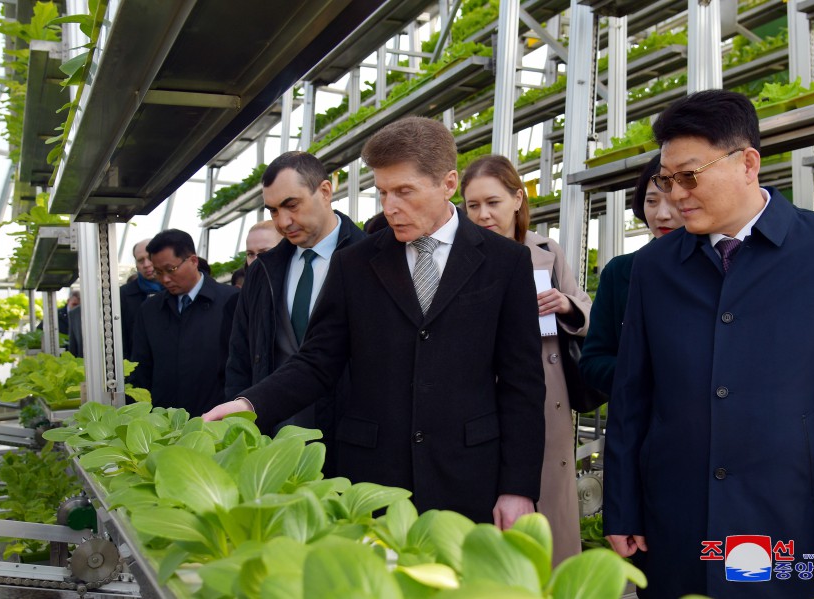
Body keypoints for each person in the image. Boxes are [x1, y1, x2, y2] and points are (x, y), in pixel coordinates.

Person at [205, 117, 546, 528]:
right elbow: (317, 360)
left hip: (468, 475)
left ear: (448, 183)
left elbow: (522, 383)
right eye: (383, 192)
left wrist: (518, 487)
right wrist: (248, 404)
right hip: (374, 479)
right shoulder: (356, 263)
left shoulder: (504, 262)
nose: (390, 208)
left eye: (405, 192)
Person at [602, 90, 814, 599]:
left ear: (748, 163)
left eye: (690, 175)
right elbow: (631, 397)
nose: (675, 194)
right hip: (677, 515)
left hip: (788, 515)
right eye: (666, 178)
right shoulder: (654, 268)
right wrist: (622, 505)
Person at [462, 154, 592, 565]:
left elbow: (588, 309)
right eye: (472, 205)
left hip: (548, 393)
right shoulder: (460, 256)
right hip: (483, 391)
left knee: (550, 499)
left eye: (493, 202)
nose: (483, 214)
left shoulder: (545, 250)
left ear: (518, 199)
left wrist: (566, 304)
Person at [224, 151, 365, 473]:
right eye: (273, 210)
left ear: (325, 191)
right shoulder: (264, 271)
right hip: (276, 442)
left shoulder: (372, 258)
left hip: (350, 441)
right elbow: (240, 357)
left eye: (292, 205)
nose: (283, 221)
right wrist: (243, 425)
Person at [578, 155, 683, 395]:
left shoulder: (720, 265)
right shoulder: (621, 271)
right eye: (652, 201)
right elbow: (592, 362)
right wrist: (644, 375)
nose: (662, 215)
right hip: (638, 423)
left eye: (674, 201)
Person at [130, 229, 238, 416]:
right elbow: (141, 370)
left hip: (218, 421)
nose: (165, 279)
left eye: (170, 270)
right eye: (158, 272)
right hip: (165, 425)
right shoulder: (150, 310)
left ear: (193, 261)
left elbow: (241, 367)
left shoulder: (231, 301)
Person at [120, 239, 164, 360]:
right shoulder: (123, 295)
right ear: (136, 265)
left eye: (150, 258)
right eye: (140, 260)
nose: (146, 264)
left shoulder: (176, 289)